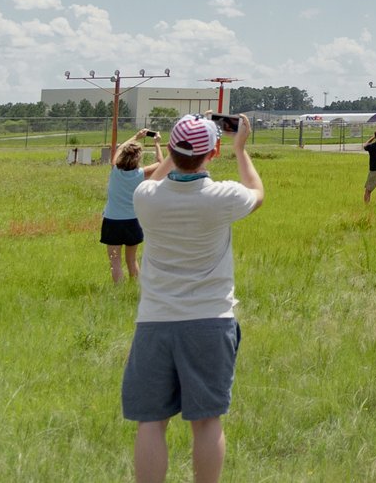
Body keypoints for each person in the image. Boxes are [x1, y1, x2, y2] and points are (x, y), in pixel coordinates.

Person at [123, 114, 263, 483]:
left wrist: (176, 149)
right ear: (213, 152)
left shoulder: (146, 197)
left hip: (155, 321)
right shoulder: (224, 196)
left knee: (150, 422)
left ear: (168, 150)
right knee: (205, 422)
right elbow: (257, 194)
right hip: (209, 320)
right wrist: (241, 149)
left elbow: (155, 179)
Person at [106, 129, 158, 283]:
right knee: (132, 260)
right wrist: (157, 144)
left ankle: (119, 291)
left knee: (115, 262)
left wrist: (136, 136)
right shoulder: (141, 173)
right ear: (138, 158)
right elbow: (162, 163)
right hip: (133, 221)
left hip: (112, 220)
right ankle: (136, 289)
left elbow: (119, 148)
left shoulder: (115, 169)